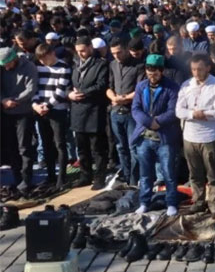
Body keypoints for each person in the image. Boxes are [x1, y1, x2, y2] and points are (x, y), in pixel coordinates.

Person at [176, 53, 215, 218]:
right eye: (193, 69)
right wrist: (193, 114)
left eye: (199, 69)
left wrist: (203, 114)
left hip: (210, 137)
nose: (196, 73)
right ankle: (198, 201)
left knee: (212, 173)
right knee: (195, 173)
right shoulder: (186, 85)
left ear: (208, 68)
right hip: (190, 137)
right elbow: (179, 110)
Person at [131, 54, 181, 216]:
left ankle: (171, 202)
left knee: (168, 173)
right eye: (149, 72)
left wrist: (158, 121)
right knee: (145, 174)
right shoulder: (141, 86)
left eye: (155, 73)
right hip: (144, 136)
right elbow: (136, 109)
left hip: (164, 137)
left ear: (161, 71)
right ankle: (144, 202)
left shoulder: (172, 87)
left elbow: (173, 111)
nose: (152, 76)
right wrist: (148, 122)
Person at [69, 36, 110, 190]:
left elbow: (101, 85)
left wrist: (83, 93)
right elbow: (70, 83)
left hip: (93, 110)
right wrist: (70, 94)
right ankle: (85, 175)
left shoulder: (100, 64)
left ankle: (100, 177)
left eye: (83, 50)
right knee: (82, 147)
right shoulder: (75, 64)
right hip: (78, 110)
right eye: (78, 51)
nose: (81, 54)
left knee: (97, 148)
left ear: (90, 48)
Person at [31, 44, 72, 190]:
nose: (43, 62)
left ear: (51, 54)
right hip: (41, 110)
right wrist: (36, 104)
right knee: (47, 144)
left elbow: (61, 91)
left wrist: (48, 106)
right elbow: (34, 87)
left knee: (60, 144)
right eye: (40, 60)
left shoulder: (64, 67)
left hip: (57, 110)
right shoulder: (38, 67)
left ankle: (62, 178)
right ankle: (50, 176)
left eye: (45, 59)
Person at [107, 36, 145, 186]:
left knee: (133, 147)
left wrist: (124, 98)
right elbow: (109, 87)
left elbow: (140, 88)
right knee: (120, 147)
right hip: (116, 111)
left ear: (126, 49)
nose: (117, 56)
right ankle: (126, 175)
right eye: (114, 53)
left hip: (131, 112)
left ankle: (135, 179)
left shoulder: (138, 65)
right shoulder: (112, 65)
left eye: (119, 52)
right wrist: (114, 98)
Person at [0, 47, 38, 193]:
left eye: (7, 64)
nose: (5, 67)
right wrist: (3, 100)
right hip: (7, 111)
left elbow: (31, 89)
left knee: (24, 147)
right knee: (12, 147)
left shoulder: (29, 67)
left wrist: (15, 100)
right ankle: (17, 179)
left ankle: (26, 180)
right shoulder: (2, 69)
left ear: (13, 59)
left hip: (23, 111)